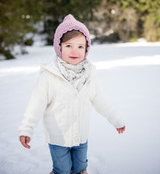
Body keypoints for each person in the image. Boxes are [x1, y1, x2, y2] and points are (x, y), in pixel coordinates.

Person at [19, 14, 125, 174]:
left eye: (80, 46)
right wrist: (26, 129)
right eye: (69, 46)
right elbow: (36, 104)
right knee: (63, 169)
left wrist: (117, 120)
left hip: (81, 137)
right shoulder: (49, 75)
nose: (75, 51)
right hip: (58, 138)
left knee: (80, 168)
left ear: (86, 49)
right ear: (59, 47)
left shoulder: (89, 75)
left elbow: (101, 100)